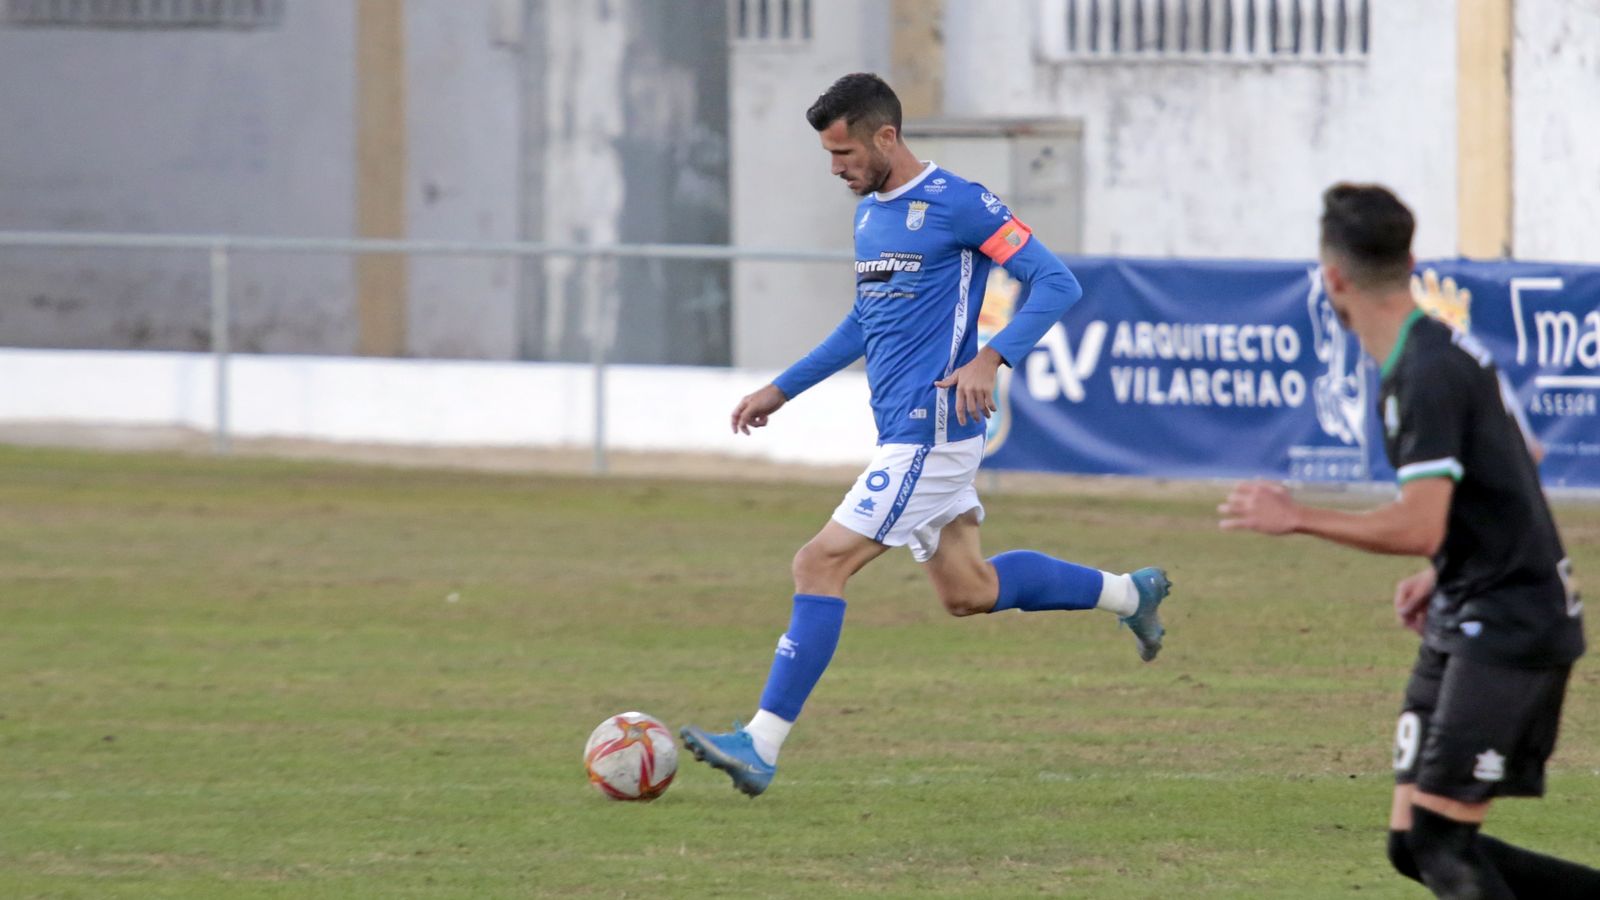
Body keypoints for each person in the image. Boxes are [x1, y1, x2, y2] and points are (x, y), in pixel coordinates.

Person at [678, 73, 1171, 797]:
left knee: (818, 565)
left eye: (844, 152)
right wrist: (781, 389)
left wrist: (990, 356)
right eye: (827, 154)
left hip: (931, 430)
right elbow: (862, 322)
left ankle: (760, 744)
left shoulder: (960, 204)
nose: (836, 168)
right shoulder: (871, 215)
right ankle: (1132, 595)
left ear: (885, 136)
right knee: (968, 590)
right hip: (904, 432)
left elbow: (1055, 281)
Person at [1220, 183, 1595, 898]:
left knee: (1443, 848)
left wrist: (1297, 516)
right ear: (1411, 260)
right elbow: (1528, 458)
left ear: (1332, 278)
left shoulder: (1424, 371)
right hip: (1469, 602)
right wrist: (1447, 565)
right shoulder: (1438, 344)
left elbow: (1420, 521)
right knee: (1410, 845)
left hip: (1512, 620)